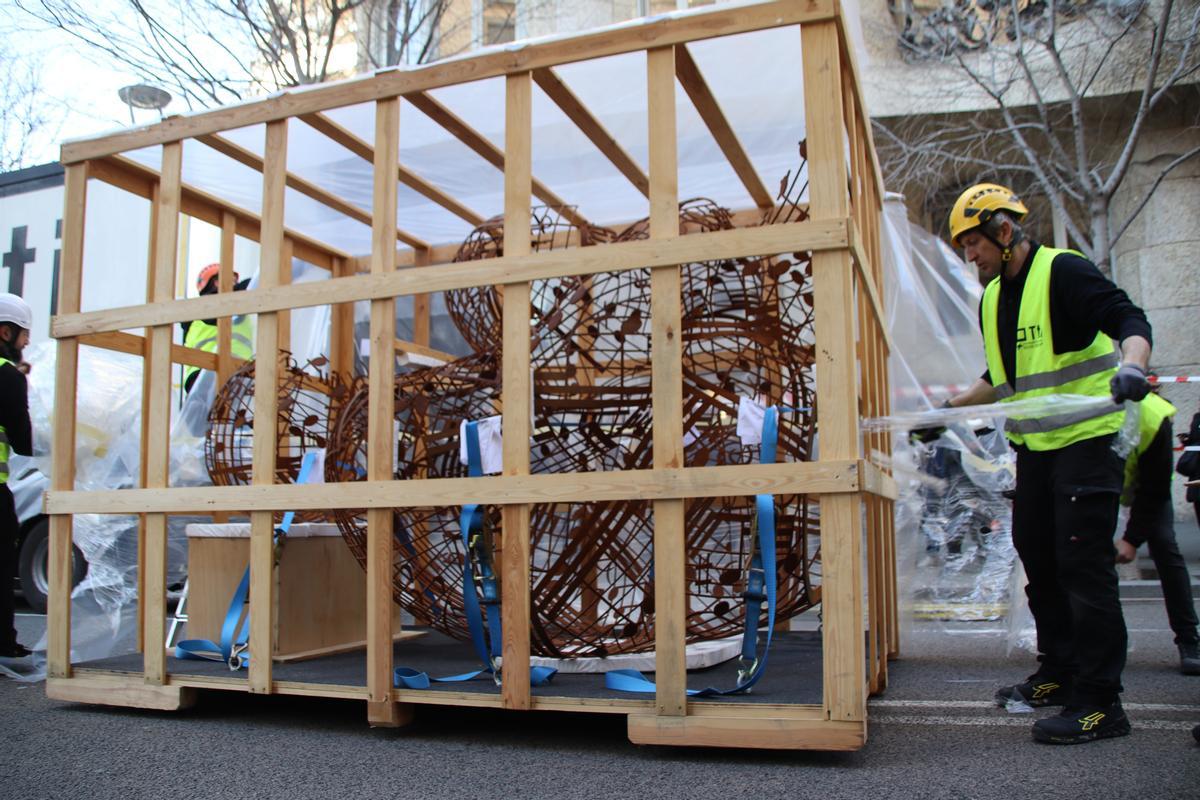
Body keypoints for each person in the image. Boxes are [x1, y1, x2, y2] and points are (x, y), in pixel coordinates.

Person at [943, 183, 1152, 744]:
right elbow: (999, 378)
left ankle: (1101, 704)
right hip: (1036, 451)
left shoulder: (1063, 271)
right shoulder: (991, 297)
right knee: (1039, 559)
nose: (971, 257)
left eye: (974, 245)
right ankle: (1059, 672)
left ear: (1004, 231)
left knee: (1083, 569)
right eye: (964, 247)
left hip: (1087, 443)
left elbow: (1129, 318)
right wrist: (947, 411)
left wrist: (1133, 368)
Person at [1114, 389, 1200, 675]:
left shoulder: (1153, 413)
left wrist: (1131, 539)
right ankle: (1092, 643)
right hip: (1095, 487)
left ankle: (1189, 640)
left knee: (1164, 544)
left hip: (1143, 488)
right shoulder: (1077, 406)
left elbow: (1155, 488)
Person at [0, 293, 34, 659]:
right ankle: (4, 646)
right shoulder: (7, 377)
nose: (26, 342)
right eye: (23, 334)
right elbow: (24, 443)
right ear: (5, 331)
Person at [180, 262, 253, 393]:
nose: (235, 284)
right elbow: (246, 288)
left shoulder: (193, 315)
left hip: (237, 372)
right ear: (214, 283)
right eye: (230, 280)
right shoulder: (204, 307)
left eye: (235, 281)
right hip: (205, 372)